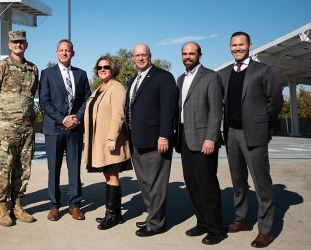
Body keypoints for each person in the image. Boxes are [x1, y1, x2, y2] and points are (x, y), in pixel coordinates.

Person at [218, 32, 283, 248]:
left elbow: (276, 101)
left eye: (241, 45)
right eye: (234, 45)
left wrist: (262, 124)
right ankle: (242, 219)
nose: (237, 48)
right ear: (230, 47)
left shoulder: (262, 70)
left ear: (250, 46)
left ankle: (265, 230)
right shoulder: (226, 73)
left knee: (262, 184)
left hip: (253, 134)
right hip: (232, 134)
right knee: (238, 182)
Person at [0, 30, 39, 227]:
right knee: (4, 169)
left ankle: (17, 205)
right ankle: (1, 207)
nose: (18, 45)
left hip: (27, 129)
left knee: (23, 169)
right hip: (6, 129)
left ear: (26, 45)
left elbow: (32, 94)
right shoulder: (1, 67)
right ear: (9, 45)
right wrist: (3, 117)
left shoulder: (33, 69)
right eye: (15, 42)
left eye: (21, 42)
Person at [177, 42, 226, 245]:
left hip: (203, 140)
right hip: (184, 139)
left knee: (207, 185)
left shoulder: (211, 77)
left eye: (192, 53)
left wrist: (210, 138)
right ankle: (202, 222)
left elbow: (216, 110)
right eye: (185, 54)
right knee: (192, 183)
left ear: (200, 55)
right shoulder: (180, 79)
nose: (188, 57)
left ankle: (216, 229)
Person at [126, 43, 177, 237]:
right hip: (136, 140)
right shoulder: (133, 81)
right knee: (145, 184)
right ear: (133, 58)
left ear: (150, 56)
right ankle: (152, 216)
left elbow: (168, 109)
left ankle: (156, 223)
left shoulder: (163, 77)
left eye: (144, 55)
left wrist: (164, 135)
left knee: (156, 184)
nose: (140, 58)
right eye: (137, 55)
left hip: (156, 140)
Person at [39, 39, 91, 221]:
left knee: (74, 168)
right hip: (54, 129)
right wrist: (62, 119)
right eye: (61, 50)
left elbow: (87, 99)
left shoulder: (81, 74)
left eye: (67, 50)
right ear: (56, 53)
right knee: (54, 168)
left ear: (73, 53)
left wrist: (76, 118)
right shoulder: (47, 74)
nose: (64, 53)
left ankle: (75, 205)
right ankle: (54, 206)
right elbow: (44, 102)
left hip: (75, 129)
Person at [83, 56, 132, 230]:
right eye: (99, 67)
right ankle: (115, 214)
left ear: (113, 70)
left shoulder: (117, 88)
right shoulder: (98, 89)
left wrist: (112, 138)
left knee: (112, 175)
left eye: (106, 67)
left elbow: (119, 114)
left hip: (111, 142)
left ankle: (111, 215)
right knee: (107, 175)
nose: (102, 69)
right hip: (98, 141)